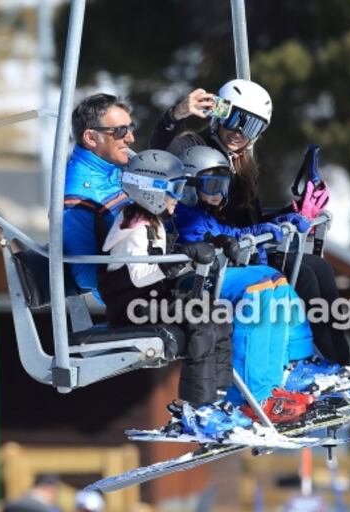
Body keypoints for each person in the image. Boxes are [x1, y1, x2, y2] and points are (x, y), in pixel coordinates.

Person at [149, 79, 350, 365]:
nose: (238, 132)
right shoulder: (194, 146)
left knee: (319, 267)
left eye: (251, 126)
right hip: (213, 252)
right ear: (218, 114)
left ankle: (340, 359)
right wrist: (176, 116)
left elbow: (250, 218)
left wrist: (289, 214)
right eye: (234, 119)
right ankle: (315, 360)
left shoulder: (242, 163)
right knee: (303, 273)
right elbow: (159, 155)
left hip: (242, 246)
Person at [100, 148, 252, 438]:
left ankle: (219, 399)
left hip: (151, 301)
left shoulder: (155, 222)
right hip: (132, 307)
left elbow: (173, 256)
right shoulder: (132, 227)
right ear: (151, 192)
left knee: (217, 314)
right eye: (175, 190)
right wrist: (182, 257)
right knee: (200, 322)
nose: (179, 198)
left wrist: (215, 242)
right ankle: (197, 406)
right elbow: (139, 275)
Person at [63, 93, 136, 303]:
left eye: (131, 128)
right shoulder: (77, 193)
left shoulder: (115, 170)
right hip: (130, 300)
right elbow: (85, 272)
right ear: (91, 138)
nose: (130, 138)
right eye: (121, 131)